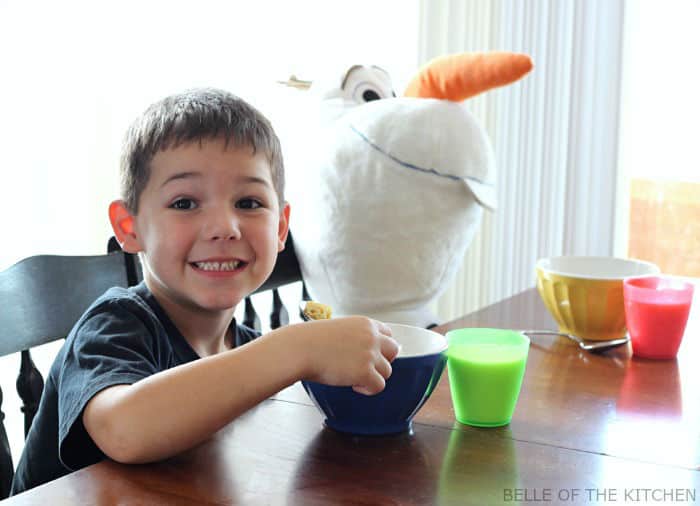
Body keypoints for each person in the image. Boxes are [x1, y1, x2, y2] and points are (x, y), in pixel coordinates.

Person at [10, 88, 399, 495]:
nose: (223, 227)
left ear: (280, 228)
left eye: (249, 202)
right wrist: (295, 350)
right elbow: (124, 430)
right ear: (130, 227)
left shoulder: (246, 350)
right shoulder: (114, 327)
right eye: (184, 203)